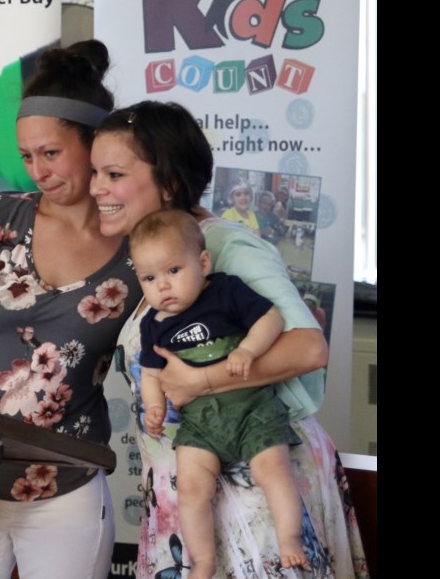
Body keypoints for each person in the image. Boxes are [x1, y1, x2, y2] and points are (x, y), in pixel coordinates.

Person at [90, 100, 370, 578]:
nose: (97, 188)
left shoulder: (225, 246)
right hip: (200, 496)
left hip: (258, 492)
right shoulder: (158, 258)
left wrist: (200, 382)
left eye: (113, 174)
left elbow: (309, 346)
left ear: (171, 182)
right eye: (96, 173)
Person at [0, 40, 141, 579]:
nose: (38, 170)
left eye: (51, 153)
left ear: (95, 145)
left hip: (70, 485)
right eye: (26, 156)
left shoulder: (140, 247)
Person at [129, 209, 308, 577]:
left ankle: (290, 538)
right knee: (192, 490)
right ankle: (202, 561)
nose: (163, 286)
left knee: (272, 469)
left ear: (203, 262)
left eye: (173, 271)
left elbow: (270, 318)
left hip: (252, 408)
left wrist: (248, 350)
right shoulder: (152, 325)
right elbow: (150, 373)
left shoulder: (226, 290)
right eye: (149, 278)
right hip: (200, 423)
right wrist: (154, 408)